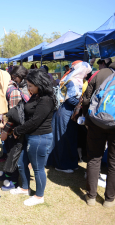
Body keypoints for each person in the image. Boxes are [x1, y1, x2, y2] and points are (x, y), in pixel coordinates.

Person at [12, 69, 56, 206]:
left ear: (39, 84)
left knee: (37, 168)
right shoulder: (37, 95)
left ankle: (39, 196)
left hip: (40, 138)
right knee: (21, 162)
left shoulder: (46, 99)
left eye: (31, 85)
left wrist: (17, 130)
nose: (28, 88)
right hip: (30, 135)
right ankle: (25, 188)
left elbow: (35, 121)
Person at [48, 61, 91, 173]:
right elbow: (71, 99)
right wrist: (83, 103)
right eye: (86, 72)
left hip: (66, 112)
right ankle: (62, 165)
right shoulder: (73, 81)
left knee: (70, 138)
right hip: (65, 113)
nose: (86, 75)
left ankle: (70, 164)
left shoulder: (72, 79)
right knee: (64, 139)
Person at [82, 61, 115, 207]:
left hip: (96, 122)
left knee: (94, 159)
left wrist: (86, 117)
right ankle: (109, 200)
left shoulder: (100, 73)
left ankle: (91, 197)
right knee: (114, 163)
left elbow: (86, 99)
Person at [0, 67, 24, 190]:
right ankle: (8, 174)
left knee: (14, 155)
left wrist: (6, 132)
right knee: (8, 151)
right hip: (4, 129)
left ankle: (14, 181)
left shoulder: (12, 91)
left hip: (12, 131)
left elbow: (15, 116)